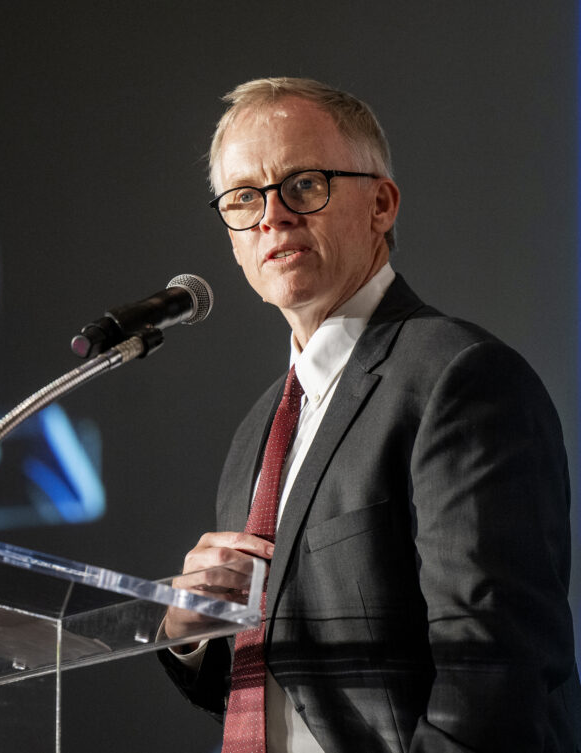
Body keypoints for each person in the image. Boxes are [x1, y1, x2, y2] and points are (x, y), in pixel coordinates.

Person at [160, 77, 581, 752]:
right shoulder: (257, 434)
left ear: (381, 203)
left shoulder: (461, 378)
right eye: (243, 198)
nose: (271, 216)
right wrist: (190, 632)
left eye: (303, 184)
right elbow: (276, 692)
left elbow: (491, 677)